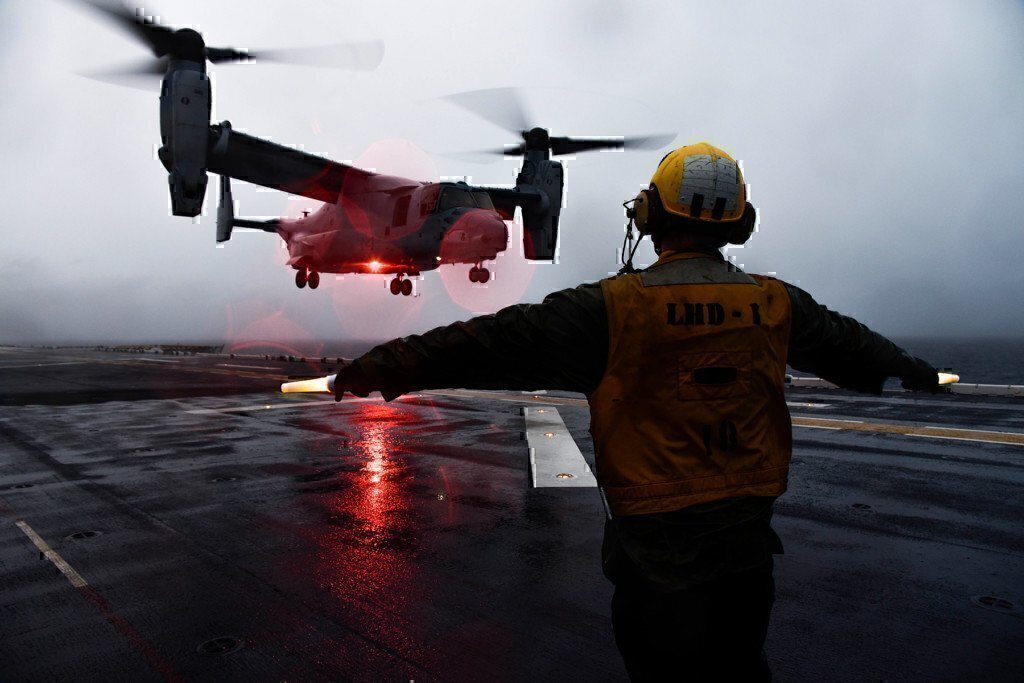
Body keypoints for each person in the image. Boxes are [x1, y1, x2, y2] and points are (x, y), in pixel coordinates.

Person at [328, 142, 940, 680]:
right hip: (747, 553)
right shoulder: (779, 305)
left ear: (647, 216)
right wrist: (922, 376)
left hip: (657, 563)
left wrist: (371, 369)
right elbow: (858, 349)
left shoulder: (610, 310)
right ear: (741, 223)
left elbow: (480, 345)